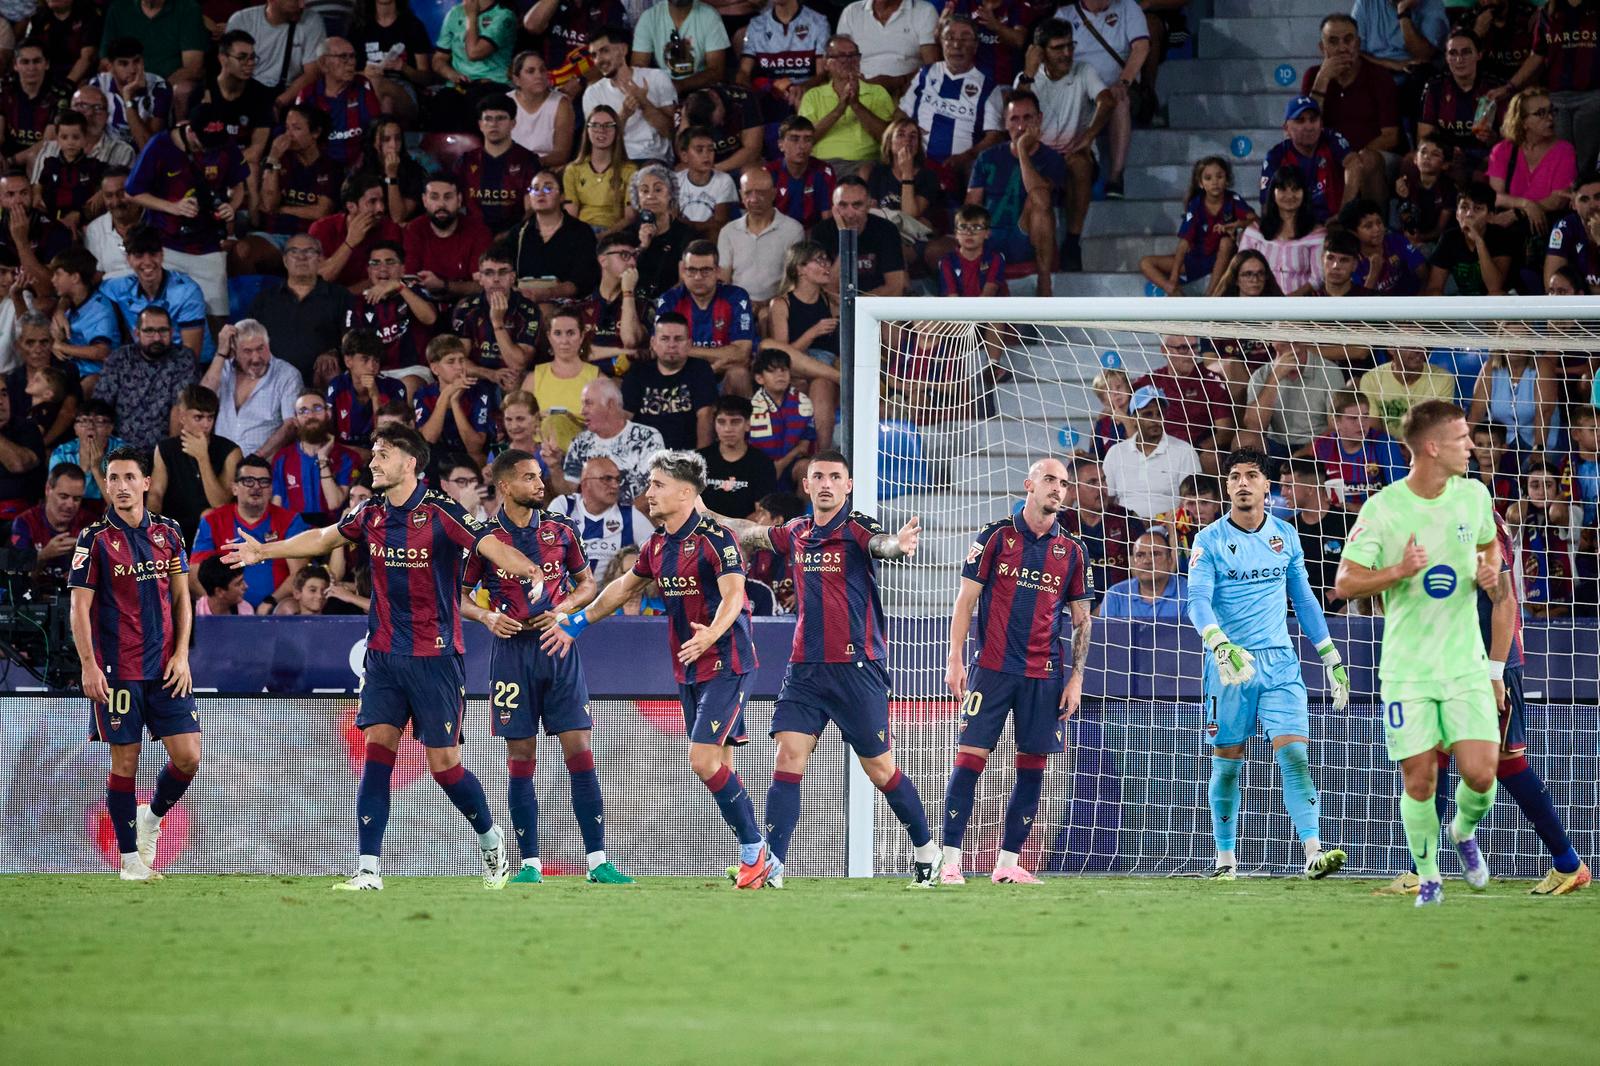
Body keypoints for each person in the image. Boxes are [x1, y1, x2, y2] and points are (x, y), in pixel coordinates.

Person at [223, 425, 547, 890]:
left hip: (435, 657)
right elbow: (322, 538)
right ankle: (369, 869)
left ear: (410, 463)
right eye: (373, 453)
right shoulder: (369, 513)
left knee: (444, 767)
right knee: (378, 753)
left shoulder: (441, 512)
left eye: (383, 454)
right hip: (383, 655)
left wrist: (528, 566)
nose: (373, 462)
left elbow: (491, 547)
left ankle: (490, 838)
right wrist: (262, 551)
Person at [708, 450, 938, 884]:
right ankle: (772, 864)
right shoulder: (796, 532)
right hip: (805, 669)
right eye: (819, 476)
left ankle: (927, 850)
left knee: (880, 769)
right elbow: (751, 533)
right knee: (788, 756)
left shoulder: (856, 527)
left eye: (836, 476)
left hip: (856, 668)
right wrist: (704, 513)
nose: (827, 483)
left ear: (848, 486)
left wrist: (897, 545)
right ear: (807, 485)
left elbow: (881, 544)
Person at [550, 448, 774, 885]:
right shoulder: (658, 543)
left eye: (657, 485)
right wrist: (576, 621)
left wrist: (711, 633)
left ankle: (757, 851)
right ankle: (756, 855)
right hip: (689, 666)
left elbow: (733, 597)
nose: (648, 493)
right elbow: (620, 589)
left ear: (686, 492)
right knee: (719, 764)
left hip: (727, 662)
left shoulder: (716, 538)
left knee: (702, 759)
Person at [1333, 400, 1504, 908]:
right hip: (1408, 671)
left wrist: (1487, 568)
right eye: (1462, 439)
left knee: (1481, 773)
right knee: (1421, 777)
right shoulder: (1384, 508)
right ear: (1432, 447)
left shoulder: (1473, 495)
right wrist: (1398, 572)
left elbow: (1489, 546)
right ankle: (1428, 876)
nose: (1470, 446)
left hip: (1465, 665)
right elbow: (1344, 583)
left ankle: (1463, 831)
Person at [459, 450, 634, 884]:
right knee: (521, 756)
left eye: (540, 476)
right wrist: (485, 616)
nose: (541, 484)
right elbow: (457, 596)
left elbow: (588, 584)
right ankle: (529, 865)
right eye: (529, 478)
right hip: (511, 656)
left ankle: (598, 861)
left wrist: (565, 610)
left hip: (558, 648)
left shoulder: (561, 530)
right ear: (504, 486)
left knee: (579, 749)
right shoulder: (483, 539)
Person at [1185, 447, 1350, 881]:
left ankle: (1313, 852)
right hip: (1229, 666)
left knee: (1295, 755)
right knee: (1227, 762)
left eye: (1251, 475)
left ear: (1266, 485)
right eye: (1235, 476)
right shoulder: (1208, 541)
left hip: (1280, 664)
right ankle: (1225, 860)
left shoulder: (1286, 536)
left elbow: (1304, 598)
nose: (1242, 482)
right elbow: (1197, 601)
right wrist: (1219, 643)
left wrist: (1330, 654)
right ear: (1227, 485)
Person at [939, 457, 1092, 885]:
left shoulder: (1073, 551)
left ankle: (1007, 865)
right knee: (969, 760)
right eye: (1049, 480)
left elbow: (1082, 620)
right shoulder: (995, 536)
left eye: (1063, 483)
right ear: (1029, 484)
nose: (1057, 489)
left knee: (1034, 767)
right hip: (991, 669)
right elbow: (966, 602)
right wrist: (954, 661)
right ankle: (950, 861)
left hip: (1045, 676)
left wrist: (1077, 678)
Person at [68, 447, 195, 882]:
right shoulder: (94, 539)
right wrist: (88, 666)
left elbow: (181, 597)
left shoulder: (170, 532)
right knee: (126, 762)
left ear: (146, 483)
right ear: (106, 485)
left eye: (129, 478)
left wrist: (181, 654)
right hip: (118, 671)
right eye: (113, 478)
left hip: (165, 668)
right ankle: (129, 861)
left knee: (189, 758)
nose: (121, 487)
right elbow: (79, 609)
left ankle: (152, 818)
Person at [125, 111, 248, 330]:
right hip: (167, 244)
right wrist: (172, 207)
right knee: (164, 314)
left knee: (217, 316)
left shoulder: (223, 143)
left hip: (209, 244)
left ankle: (219, 362)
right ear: (190, 132)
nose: (210, 150)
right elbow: (133, 192)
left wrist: (232, 206)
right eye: (204, 144)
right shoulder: (160, 146)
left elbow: (239, 185)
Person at [1019, 19, 1111, 269]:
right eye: (1058, 48)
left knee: (1079, 162)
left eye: (1070, 46)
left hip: (1075, 153)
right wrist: (1028, 72)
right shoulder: (1028, 79)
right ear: (1040, 51)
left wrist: (1090, 135)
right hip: (1042, 157)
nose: (1067, 53)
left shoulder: (1083, 71)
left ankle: (1072, 242)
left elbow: (1107, 100)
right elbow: (1019, 114)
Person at [964, 90, 1062, 295]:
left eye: (1027, 118)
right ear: (1005, 123)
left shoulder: (1052, 159)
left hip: (1026, 238)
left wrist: (1023, 151)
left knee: (1035, 202)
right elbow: (971, 205)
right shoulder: (987, 157)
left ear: (1039, 119)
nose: (1021, 126)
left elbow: (1041, 199)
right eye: (1014, 119)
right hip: (989, 237)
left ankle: (1044, 282)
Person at [191, 454, 309, 608]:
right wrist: (223, 604)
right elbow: (194, 576)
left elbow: (298, 574)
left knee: (289, 608)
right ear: (234, 488)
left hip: (274, 610)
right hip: (226, 613)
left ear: (271, 489)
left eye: (264, 482)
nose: (256, 487)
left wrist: (270, 602)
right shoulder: (212, 520)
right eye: (248, 481)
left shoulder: (291, 520)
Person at [1056, 0, 1147, 200]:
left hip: (1120, 85)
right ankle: (1066, 178)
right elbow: (1055, 57)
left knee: (1119, 100)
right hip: (1080, 87)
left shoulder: (1128, 7)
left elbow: (1141, 47)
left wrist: (1123, 81)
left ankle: (1115, 176)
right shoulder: (1065, 15)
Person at [894, 18, 1003, 173]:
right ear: (941, 42)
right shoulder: (926, 74)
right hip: (917, 162)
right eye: (950, 38)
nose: (957, 45)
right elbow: (901, 114)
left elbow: (994, 137)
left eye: (965, 38)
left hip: (962, 168)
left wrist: (967, 156)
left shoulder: (988, 87)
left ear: (975, 46)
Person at [245, 233, 351, 386]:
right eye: (294, 252)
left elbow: (353, 338)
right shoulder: (265, 299)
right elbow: (248, 342)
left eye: (309, 251)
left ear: (320, 259)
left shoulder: (340, 296)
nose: (302, 257)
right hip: (273, 383)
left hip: (321, 383)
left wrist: (335, 352)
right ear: (285, 260)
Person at [1140, 157, 1255, 298]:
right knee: (1146, 263)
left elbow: (1254, 218)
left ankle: (1211, 295)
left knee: (1226, 242)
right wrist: (1174, 278)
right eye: (1208, 178)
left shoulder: (1233, 199)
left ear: (1227, 179)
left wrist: (1237, 224)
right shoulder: (1196, 204)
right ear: (1201, 183)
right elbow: (1184, 242)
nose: (1215, 182)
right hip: (1195, 260)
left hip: (1221, 260)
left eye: (1219, 176)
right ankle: (1176, 293)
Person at [655, 240, 755, 394]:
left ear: (718, 271)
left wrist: (686, 350)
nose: (698, 277)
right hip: (684, 372)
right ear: (683, 271)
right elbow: (660, 349)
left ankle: (736, 418)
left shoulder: (736, 297)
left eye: (706, 270)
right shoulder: (670, 300)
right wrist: (712, 363)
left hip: (723, 374)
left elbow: (741, 352)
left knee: (739, 374)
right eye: (692, 270)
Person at [102, 224, 209, 366]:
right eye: (139, 255)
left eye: (153, 254)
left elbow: (190, 357)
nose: (147, 262)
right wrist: (61, 308)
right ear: (128, 259)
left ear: (162, 255)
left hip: (193, 367)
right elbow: (88, 285)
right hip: (148, 366)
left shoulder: (188, 292)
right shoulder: (120, 287)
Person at [93, 306, 197, 452]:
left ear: (172, 332)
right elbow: (101, 406)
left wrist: (171, 457)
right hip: (119, 449)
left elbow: (180, 409)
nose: (157, 338)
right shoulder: (120, 358)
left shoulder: (183, 358)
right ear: (137, 333)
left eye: (163, 331)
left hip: (162, 450)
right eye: (149, 331)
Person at [546, 376, 665, 502]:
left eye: (588, 403)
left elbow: (654, 489)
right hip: (591, 519)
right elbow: (567, 492)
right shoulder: (580, 443)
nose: (582, 411)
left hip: (636, 518)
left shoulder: (647, 438)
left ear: (610, 404)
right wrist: (554, 467)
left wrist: (623, 518)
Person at [149, 383, 241, 544]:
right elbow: (155, 494)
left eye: (210, 417)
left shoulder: (231, 451)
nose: (206, 425)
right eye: (198, 417)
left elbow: (220, 504)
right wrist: (150, 528)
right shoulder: (165, 449)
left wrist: (202, 458)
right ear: (182, 417)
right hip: (174, 528)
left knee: (209, 515)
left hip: (214, 532)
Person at [201, 319, 303, 459]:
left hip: (263, 466)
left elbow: (291, 425)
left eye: (260, 348)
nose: (256, 358)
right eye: (247, 351)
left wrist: (256, 458)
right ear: (234, 351)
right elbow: (200, 401)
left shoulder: (287, 375)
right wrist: (220, 354)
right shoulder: (223, 369)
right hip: (220, 461)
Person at [797, 35, 894, 176]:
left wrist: (856, 105)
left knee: (867, 172)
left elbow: (887, 138)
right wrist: (839, 109)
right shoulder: (813, 96)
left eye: (853, 56)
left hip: (864, 164)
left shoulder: (877, 92)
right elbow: (805, 139)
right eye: (840, 56)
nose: (848, 61)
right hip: (822, 165)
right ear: (826, 64)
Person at [582, 24, 678, 165]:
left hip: (654, 159)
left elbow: (670, 132)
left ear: (623, 50)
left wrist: (644, 103)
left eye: (604, 51)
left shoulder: (657, 78)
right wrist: (623, 115)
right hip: (616, 162)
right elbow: (598, 142)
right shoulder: (592, 93)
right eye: (594, 55)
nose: (599, 60)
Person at [1103, 386, 1200, 521]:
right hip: (1126, 530)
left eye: (1159, 414)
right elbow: (1107, 499)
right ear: (1133, 419)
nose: (1155, 420)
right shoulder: (1116, 453)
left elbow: (1194, 502)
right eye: (1148, 414)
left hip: (1170, 528)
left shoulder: (1184, 450)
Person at [547, 454, 655, 576]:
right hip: (567, 590)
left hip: (612, 593)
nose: (615, 485)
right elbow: (547, 550)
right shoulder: (565, 506)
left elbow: (657, 553)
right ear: (585, 483)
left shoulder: (629, 516)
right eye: (607, 479)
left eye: (617, 479)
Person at [622, 311, 716, 450]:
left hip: (686, 456)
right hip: (645, 457)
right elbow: (625, 417)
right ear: (653, 343)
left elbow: (705, 416)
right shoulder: (638, 372)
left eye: (678, 339)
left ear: (689, 344)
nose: (672, 345)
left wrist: (702, 460)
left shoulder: (700, 369)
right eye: (665, 339)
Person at [451, 244, 539, 385]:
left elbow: (517, 364)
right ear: (480, 278)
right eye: (489, 273)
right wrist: (489, 374)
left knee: (512, 381)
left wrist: (497, 322)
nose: (496, 279)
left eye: (503, 272)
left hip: (513, 377)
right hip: (477, 373)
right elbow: (457, 361)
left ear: (512, 277)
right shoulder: (466, 309)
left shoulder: (528, 310)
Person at [511, 169, 601, 306]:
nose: (540, 193)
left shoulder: (580, 231)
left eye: (548, 188)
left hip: (569, 303)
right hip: (524, 300)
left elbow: (583, 279)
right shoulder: (519, 232)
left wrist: (547, 293)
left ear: (562, 197)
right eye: (535, 189)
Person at [715, 166, 801, 306]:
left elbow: (793, 280)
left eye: (761, 192)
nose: (754, 199)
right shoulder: (728, 231)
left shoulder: (793, 230)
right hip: (736, 305)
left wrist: (767, 305)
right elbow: (723, 279)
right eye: (748, 193)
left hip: (777, 306)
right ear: (741, 195)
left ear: (773, 194)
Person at [457, 95, 541, 235]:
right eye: (488, 119)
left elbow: (532, 210)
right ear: (480, 124)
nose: (493, 124)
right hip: (472, 238)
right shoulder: (466, 161)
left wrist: (509, 236)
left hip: (513, 239)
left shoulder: (528, 160)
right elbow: (456, 205)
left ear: (513, 123)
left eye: (501, 118)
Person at [403, 176, 492, 307]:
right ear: (424, 200)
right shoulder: (415, 229)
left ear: (459, 200)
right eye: (434, 197)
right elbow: (409, 279)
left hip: (466, 304)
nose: (441, 204)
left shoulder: (478, 231)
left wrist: (443, 285)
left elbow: (482, 286)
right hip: (425, 303)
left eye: (448, 197)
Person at [810, 177, 907, 297]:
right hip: (835, 308)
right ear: (834, 208)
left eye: (857, 205)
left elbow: (895, 287)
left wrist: (854, 307)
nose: (850, 214)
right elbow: (826, 289)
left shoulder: (886, 229)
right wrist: (846, 237)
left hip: (876, 308)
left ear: (868, 205)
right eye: (843, 205)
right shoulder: (821, 232)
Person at [1237, 165, 1327, 296]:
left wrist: (1288, 302)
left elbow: (1319, 278)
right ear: (1273, 193)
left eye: (1295, 189)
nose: (1289, 195)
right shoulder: (1255, 231)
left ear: (1305, 193)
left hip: (1303, 308)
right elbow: (1242, 271)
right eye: (1283, 189)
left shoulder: (1317, 233)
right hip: (1261, 307)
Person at [270, 390, 359, 519]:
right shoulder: (281, 458)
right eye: (303, 411)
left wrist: (322, 458)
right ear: (295, 420)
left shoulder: (348, 458)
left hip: (333, 533)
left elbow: (334, 503)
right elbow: (276, 506)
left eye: (317, 408)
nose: (311, 415)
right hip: (294, 534)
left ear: (328, 413)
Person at [1277, 459, 1351, 613]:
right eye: (1282, 486)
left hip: (1341, 606)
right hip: (1299, 610)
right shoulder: (1287, 530)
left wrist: (1339, 592)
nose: (1283, 492)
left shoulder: (1348, 523)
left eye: (1288, 486)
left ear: (1310, 489)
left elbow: (1370, 568)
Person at [226, 0, 327, 110]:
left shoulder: (312, 21)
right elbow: (229, 68)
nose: (302, 5)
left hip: (288, 96)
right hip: (246, 94)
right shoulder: (242, 20)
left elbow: (312, 73)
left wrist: (279, 103)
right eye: (295, 1)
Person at [312, 173, 405, 289]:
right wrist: (349, 243)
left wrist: (344, 297)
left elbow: (386, 278)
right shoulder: (322, 228)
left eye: (382, 201)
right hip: (328, 301)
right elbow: (321, 278)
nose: (381, 208)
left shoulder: (390, 229)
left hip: (372, 300)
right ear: (351, 207)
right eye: (372, 202)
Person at [523, 306, 599, 450]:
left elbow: (609, 427)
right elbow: (518, 423)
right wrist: (537, 418)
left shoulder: (596, 379)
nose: (564, 341)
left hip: (584, 455)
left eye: (571, 333)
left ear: (582, 336)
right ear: (549, 336)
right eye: (558, 333)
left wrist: (571, 420)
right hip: (540, 455)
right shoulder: (534, 378)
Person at [414, 333, 494, 466]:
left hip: (469, 457)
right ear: (435, 368)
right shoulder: (423, 394)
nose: (459, 367)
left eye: (461, 360)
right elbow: (428, 440)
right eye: (451, 361)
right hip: (438, 457)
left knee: (476, 459)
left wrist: (455, 402)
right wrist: (445, 395)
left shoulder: (479, 391)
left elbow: (474, 448)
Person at [1424, 180, 1515, 295]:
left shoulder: (1501, 237)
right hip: (1466, 301)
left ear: (1490, 217)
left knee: (1496, 294)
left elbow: (1494, 287)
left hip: (1505, 302)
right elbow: (1434, 287)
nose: (1469, 214)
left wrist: (1478, 241)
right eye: (1464, 207)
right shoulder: (1449, 238)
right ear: (1457, 214)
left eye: (1477, 208)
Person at [835, 0, 938, 100]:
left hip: (908, 91)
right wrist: (859, 84)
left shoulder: (924, 11)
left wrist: (899, 82)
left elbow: (931, 65)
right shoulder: (851, 12)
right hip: (859, 91)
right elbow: (839, 61)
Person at [48, 247, 119, 390]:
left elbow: (101, 352)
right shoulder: (68, 304)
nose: (53, 280)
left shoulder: (100, 309)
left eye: (58, 274)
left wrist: (61, 347)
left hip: (96, 374)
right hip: (70, 370)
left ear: (75, 277)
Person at [10, 461, 90, 582]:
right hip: (35, 597)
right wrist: (43, 556)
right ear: (48, 489)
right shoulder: (25, 522)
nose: (70, 505)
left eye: (76, 499)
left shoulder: (90, 524)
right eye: (63, 496)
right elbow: (18, 582)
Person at [326, 328, 406, 447]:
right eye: (365, 359)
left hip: (383, 451)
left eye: (376, 360)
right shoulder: (337, 386)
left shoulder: (394, 387)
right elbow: (327, 434)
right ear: (348, 361)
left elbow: (391, 437)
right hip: (346, 453)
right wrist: (355, 452)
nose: (372, 367)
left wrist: (375, 396)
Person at [630, 0, 730, 96]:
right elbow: (638, 68)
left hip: (701, 90)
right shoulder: (649, 17)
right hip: (661, 91)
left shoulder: (710, 16)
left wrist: (680, 85)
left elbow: (716, 72)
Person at [698, 394, 774, 519]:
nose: (728, 429)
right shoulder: (698, 460)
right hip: (702, 533)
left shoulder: (762, 463)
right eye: (721, 422)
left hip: (744, 534)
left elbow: (762, 513)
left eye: (735, 422)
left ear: (748, 424)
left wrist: (730, 532)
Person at [563, 104, 635, 233]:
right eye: (595, 125)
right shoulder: (573, 170)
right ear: (587, 130)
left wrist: (604, 236)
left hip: (615, 234)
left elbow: (629, 217)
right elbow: (571, 214)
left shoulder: (630, 170)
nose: (602, 130)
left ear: (617, 130)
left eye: (608, 125)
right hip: (582, 233)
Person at [1359, 345, 1458, 437]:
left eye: (1421, 343)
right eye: (1410, 344)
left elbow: (1441, 427)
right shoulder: (1371, 379)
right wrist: (1395, 448)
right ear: (1391, 348)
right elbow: (1373, 427)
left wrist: (1414, 449)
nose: (1418, 350)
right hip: (1386, 449)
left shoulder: (1443, 378)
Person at [93, 37, 172, 151]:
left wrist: (128, 98)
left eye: (137, 61)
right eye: (124, 64)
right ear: (110, 67)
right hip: (109, 157)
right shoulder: (98, 85)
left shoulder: (159, 88)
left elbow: (149, 149)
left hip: (145, 160)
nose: (133, 70)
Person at [1097, 528, 1187, 621]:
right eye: (1140, 555)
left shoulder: (1190, 594)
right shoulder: (1115, 595)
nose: (1147, 561)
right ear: (1133, 562)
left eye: (1155, 554)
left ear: (1170, 559)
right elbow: (1105, 635)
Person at [507, 52, 574, 168]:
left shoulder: (561, 103)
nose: (539, 75)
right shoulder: (505, 102)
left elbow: (562, 154)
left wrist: (531, 164)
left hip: (546, 169)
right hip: (510, 168)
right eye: (531, 71)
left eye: (542, 70)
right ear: (516, 79)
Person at [83, 166, 143, 279]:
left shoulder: (157, 221)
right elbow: (97, 275)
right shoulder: (95, 230)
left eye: (122, 194)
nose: (116, 202)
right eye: (109, 196)